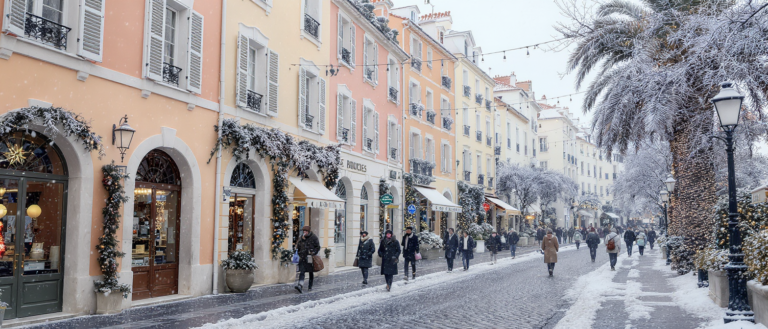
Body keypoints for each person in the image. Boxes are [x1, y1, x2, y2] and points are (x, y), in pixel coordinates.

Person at [294, 226, 320, 294]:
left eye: (306, 231)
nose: (304, 232)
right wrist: (301, 241)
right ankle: (300, 285)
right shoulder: (301, 237)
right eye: (304, 231)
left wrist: (313, 252)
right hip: (302, 257)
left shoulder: (313, 237)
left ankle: (310, 286)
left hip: (310, 258)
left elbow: (318, 247)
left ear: (308, 231)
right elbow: (298, 246)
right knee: (302, 272)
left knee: (310, 272)